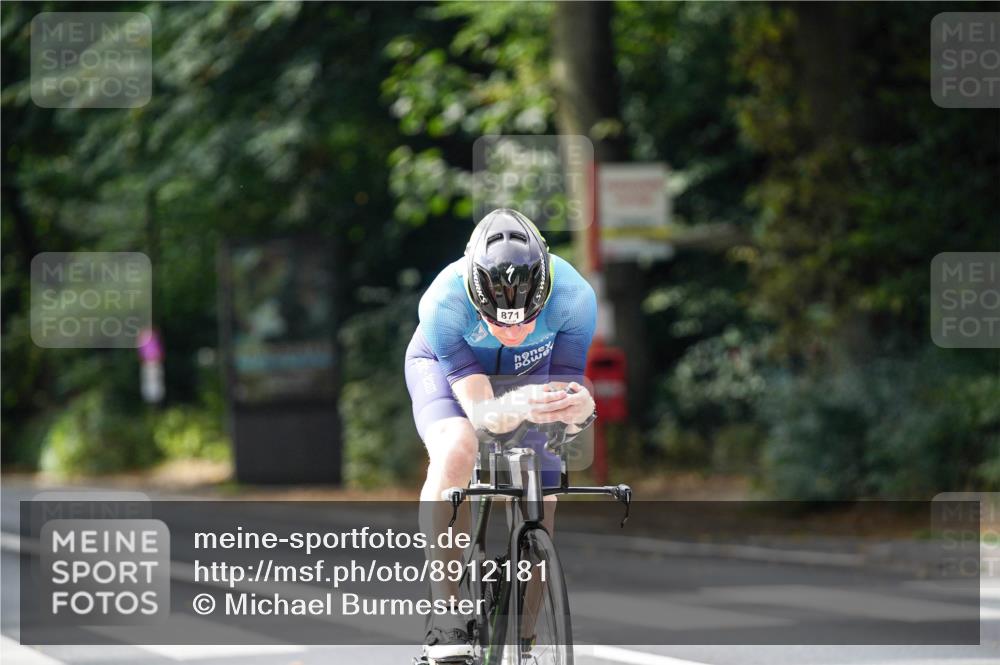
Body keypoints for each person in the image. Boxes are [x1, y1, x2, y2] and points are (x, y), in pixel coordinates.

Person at [404, 208, 598, 661]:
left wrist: (580, 409)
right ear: (475, 298)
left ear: (545, 294)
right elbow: (482, 413)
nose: (513, 330)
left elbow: (567, 393)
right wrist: (519, 406)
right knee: (458, 448)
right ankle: (447, 615)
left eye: (526, 320)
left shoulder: (574, 298)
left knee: (542, 493)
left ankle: (526, 640)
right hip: (449, 376)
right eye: (498, 320)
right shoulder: (443, 303)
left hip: (530, 374)